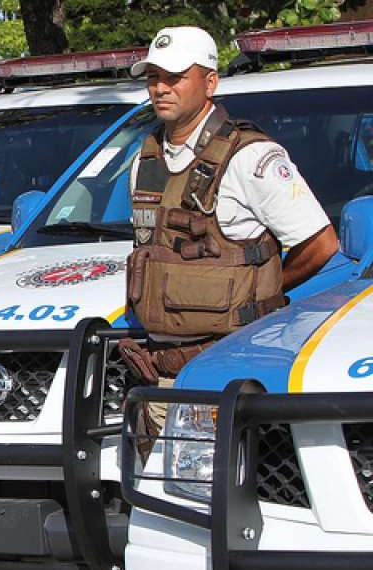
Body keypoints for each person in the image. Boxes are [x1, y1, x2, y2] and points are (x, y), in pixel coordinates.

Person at [119, 27, 339, 450]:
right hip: (156, 375)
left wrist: (262, 292)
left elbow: (320, 244)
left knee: (209, 506)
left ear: (210, 82)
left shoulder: (249, 157)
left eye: (175, 76)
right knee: (153, 504)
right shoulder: (143, 159)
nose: (161, 88)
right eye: (153, 77)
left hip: (225, 376)